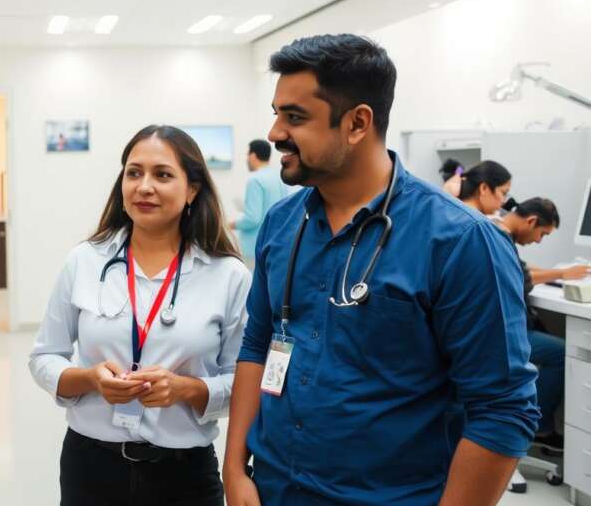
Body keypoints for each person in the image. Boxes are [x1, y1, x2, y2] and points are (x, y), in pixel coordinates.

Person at [223, 34, 539, 506]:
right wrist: (233, 469)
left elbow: (503, 408)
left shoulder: (459, 241)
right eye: (276, 113)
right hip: (274, 489)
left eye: (294, 117)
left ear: (357, 123)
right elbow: (258, 344)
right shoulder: (282, 224)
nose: (274, 133)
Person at [30, 125, 251, 506]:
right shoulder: (84, 261)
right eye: (134, 173)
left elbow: (244, 384)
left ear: (192, 189)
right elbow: (43, 356)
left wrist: (188, 389)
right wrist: (88, 379)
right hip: (91, 468)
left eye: (162, 175)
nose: (144, 186)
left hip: (185, 476)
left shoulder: (228, 276)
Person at [491, 197, 591, 455]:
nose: (538, 241)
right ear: (532, 221)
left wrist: (557, 272)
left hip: (501, 327)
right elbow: (521, 277)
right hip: (501, 334)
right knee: (560, 353)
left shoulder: (499, 232)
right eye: (542, 235)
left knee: (549, 337)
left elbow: (521, 268)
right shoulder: (499, 234)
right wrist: (560, 274)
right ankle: (540, 427)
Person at [229, 139, 289, 266]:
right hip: (276, 243)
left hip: (254, 247)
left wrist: (230, 225)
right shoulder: (279, 177)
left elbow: (252, 218)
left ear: (253, 155)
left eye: (247, 155)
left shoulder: (255, 180)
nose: (246, 159)